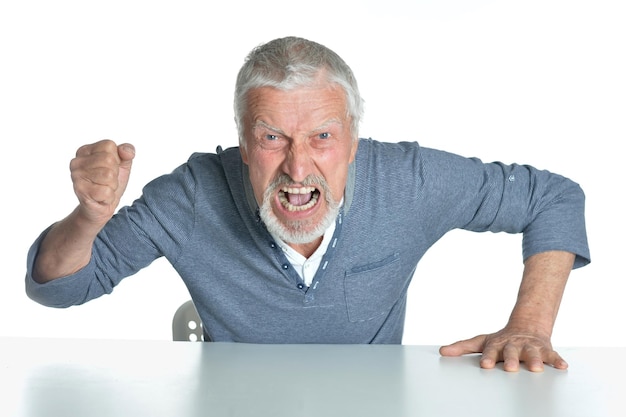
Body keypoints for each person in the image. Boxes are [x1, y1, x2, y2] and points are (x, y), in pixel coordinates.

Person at [26, 36, 590, 372]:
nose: (298, 168)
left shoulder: (407, 179)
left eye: (322, 136)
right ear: (244, 143)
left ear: (353, 138)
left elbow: (552, 198)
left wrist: (530, 328)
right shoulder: (192, 194)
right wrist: (89, 218)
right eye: (272, 138)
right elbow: (60, 286)